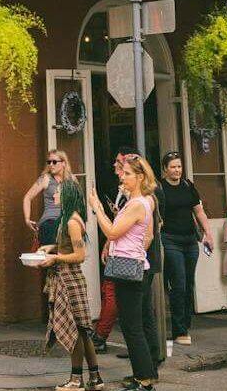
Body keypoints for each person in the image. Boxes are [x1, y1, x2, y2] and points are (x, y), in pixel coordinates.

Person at [89, 153, 157, 391]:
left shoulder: (138, 204)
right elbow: (147, 236)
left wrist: (97, 207)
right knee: (136, 324)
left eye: (128, 173)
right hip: (137, 265)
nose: (123, 177)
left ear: (139, 177)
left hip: (126, 269)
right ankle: (146, 374)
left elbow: (112, 231)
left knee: (131, 326)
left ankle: (144, 380)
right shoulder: (146, 201)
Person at [40, 178, 102, 391]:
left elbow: (79, 255)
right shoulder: (68, 218)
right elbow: (67, 246)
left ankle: (76, 381)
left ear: (66, 195)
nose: (53, 195)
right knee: (84, 332)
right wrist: (52, 246)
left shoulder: (72, 222)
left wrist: (56, 258)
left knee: (74, 331)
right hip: (70, 278)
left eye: (57, 192)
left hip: (69, 280)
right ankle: (95, 378)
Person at [156, 151, 213, 346]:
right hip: (170, 239)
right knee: (178, 283)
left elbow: (199, 211)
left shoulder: (188, 186)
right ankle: (179, 330)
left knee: (189, 283)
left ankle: (186, 326)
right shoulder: (160, 188)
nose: (176, 170)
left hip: (190, 240)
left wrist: (208, 233)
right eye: (172, 167)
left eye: (179, 166)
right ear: (165, 169)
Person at [92, 147, 139, 353]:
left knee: (114, 294)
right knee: (110, 291)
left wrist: (97, 208)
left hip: (127, 255)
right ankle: (136, 349)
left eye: (120, 163)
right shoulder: (121, 190)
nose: (115, 166)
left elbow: (141, 233)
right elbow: (117, 222)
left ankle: (100, 336)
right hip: (117, 248)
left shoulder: (137, 197)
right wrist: (107, 244)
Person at [23, 150, 70, 247]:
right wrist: (27, 219)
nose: (51, 165)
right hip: (50, 222)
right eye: (49, 162)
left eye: (54, 162)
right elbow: (27, 198)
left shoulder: (71, 180)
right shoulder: (46, 179)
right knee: (51, 256)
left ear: (64, 163)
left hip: (67, 222)